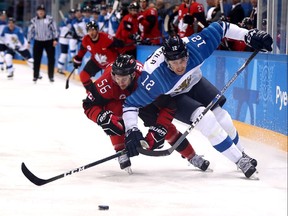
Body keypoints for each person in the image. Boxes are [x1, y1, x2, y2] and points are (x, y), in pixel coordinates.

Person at [122, 21, 273, 179]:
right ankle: (240, 160)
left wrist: (248, 35)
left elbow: (222, 27)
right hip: (175, 96)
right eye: (174, 63)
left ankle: (242, 153)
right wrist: (132, 129)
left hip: (195, 82)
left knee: (224, 119)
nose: (180, 66)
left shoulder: (196, 47)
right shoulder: (154, 77)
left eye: (182, 60)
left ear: (187, 54)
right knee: (206, 119)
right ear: (167, 62)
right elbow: (130, 104)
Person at [82, 54, 210, 173]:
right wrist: (100, 117)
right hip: (117, 101)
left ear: (132, 75)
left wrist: (160, 127)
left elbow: (169, 106)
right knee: (113, 121)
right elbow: (88, 105)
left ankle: (192, 156)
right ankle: (121, 151)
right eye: (117, 77)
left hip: (142, 99)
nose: (120, 82)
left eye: (124, 79)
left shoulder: (148, 80)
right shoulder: (106, 83)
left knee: (167, 130)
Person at [72, 20, 125, 95]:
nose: (91, 32)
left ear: (97, 30)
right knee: (83, 75)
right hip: (96, 62)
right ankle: (92, 93)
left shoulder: (106, 38)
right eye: (89, 30)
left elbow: (119, 45)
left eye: (93, 30)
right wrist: (77, 60)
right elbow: (82, 51)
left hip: (110, 64)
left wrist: (120, 44)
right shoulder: (86, 40)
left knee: (110, 83)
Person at [27, 4, 58, 82]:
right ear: (37, 12)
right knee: (36, 59)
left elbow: (54, 30)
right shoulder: (33, 20)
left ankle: (51, 76)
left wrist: (55, 39)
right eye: (39, 11)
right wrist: (28, 41)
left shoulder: (50, 19)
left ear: (44, 12)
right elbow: (30, 31)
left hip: (49, 41)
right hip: (38, 41)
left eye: (42, 11)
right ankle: (35, 76)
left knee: (51, 59)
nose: (41, 12)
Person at [57, 9, 76, 75]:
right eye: (71, 13)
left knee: (72, 53)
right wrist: (66, 27)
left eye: (73, 13)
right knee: (64, 54)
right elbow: (60, 29)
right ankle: (59, 68)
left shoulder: (74, 21)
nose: (72, 15)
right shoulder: (64, 21)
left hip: (71, 39)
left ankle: (74, 67)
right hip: (64, 39)